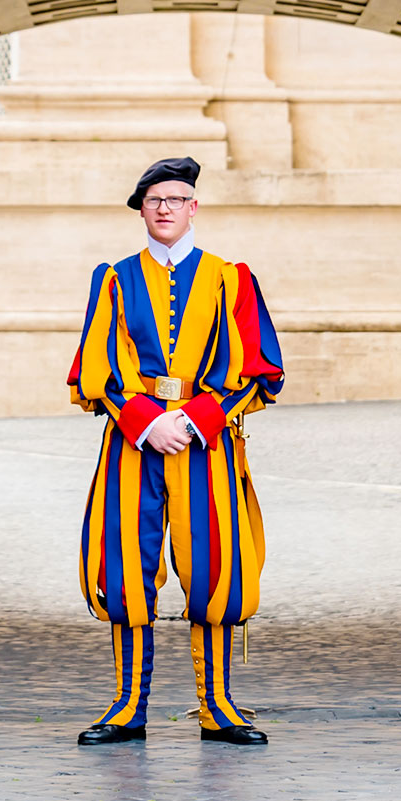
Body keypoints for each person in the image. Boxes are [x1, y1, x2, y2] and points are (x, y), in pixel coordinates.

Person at [67, 156, 284, 748]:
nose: (164, 208)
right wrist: (146, 422)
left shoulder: (230, 278)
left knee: (215, 567)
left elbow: (255, 365)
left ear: (194, 207)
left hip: (206, 445)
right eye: (153, 199)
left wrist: (189, 421)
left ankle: (217, 705)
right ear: (141, 209)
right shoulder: (114, 278)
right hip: (132, 445)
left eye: (175, 198)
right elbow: (98, 363)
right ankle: (127, 706)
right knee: (124, 568)